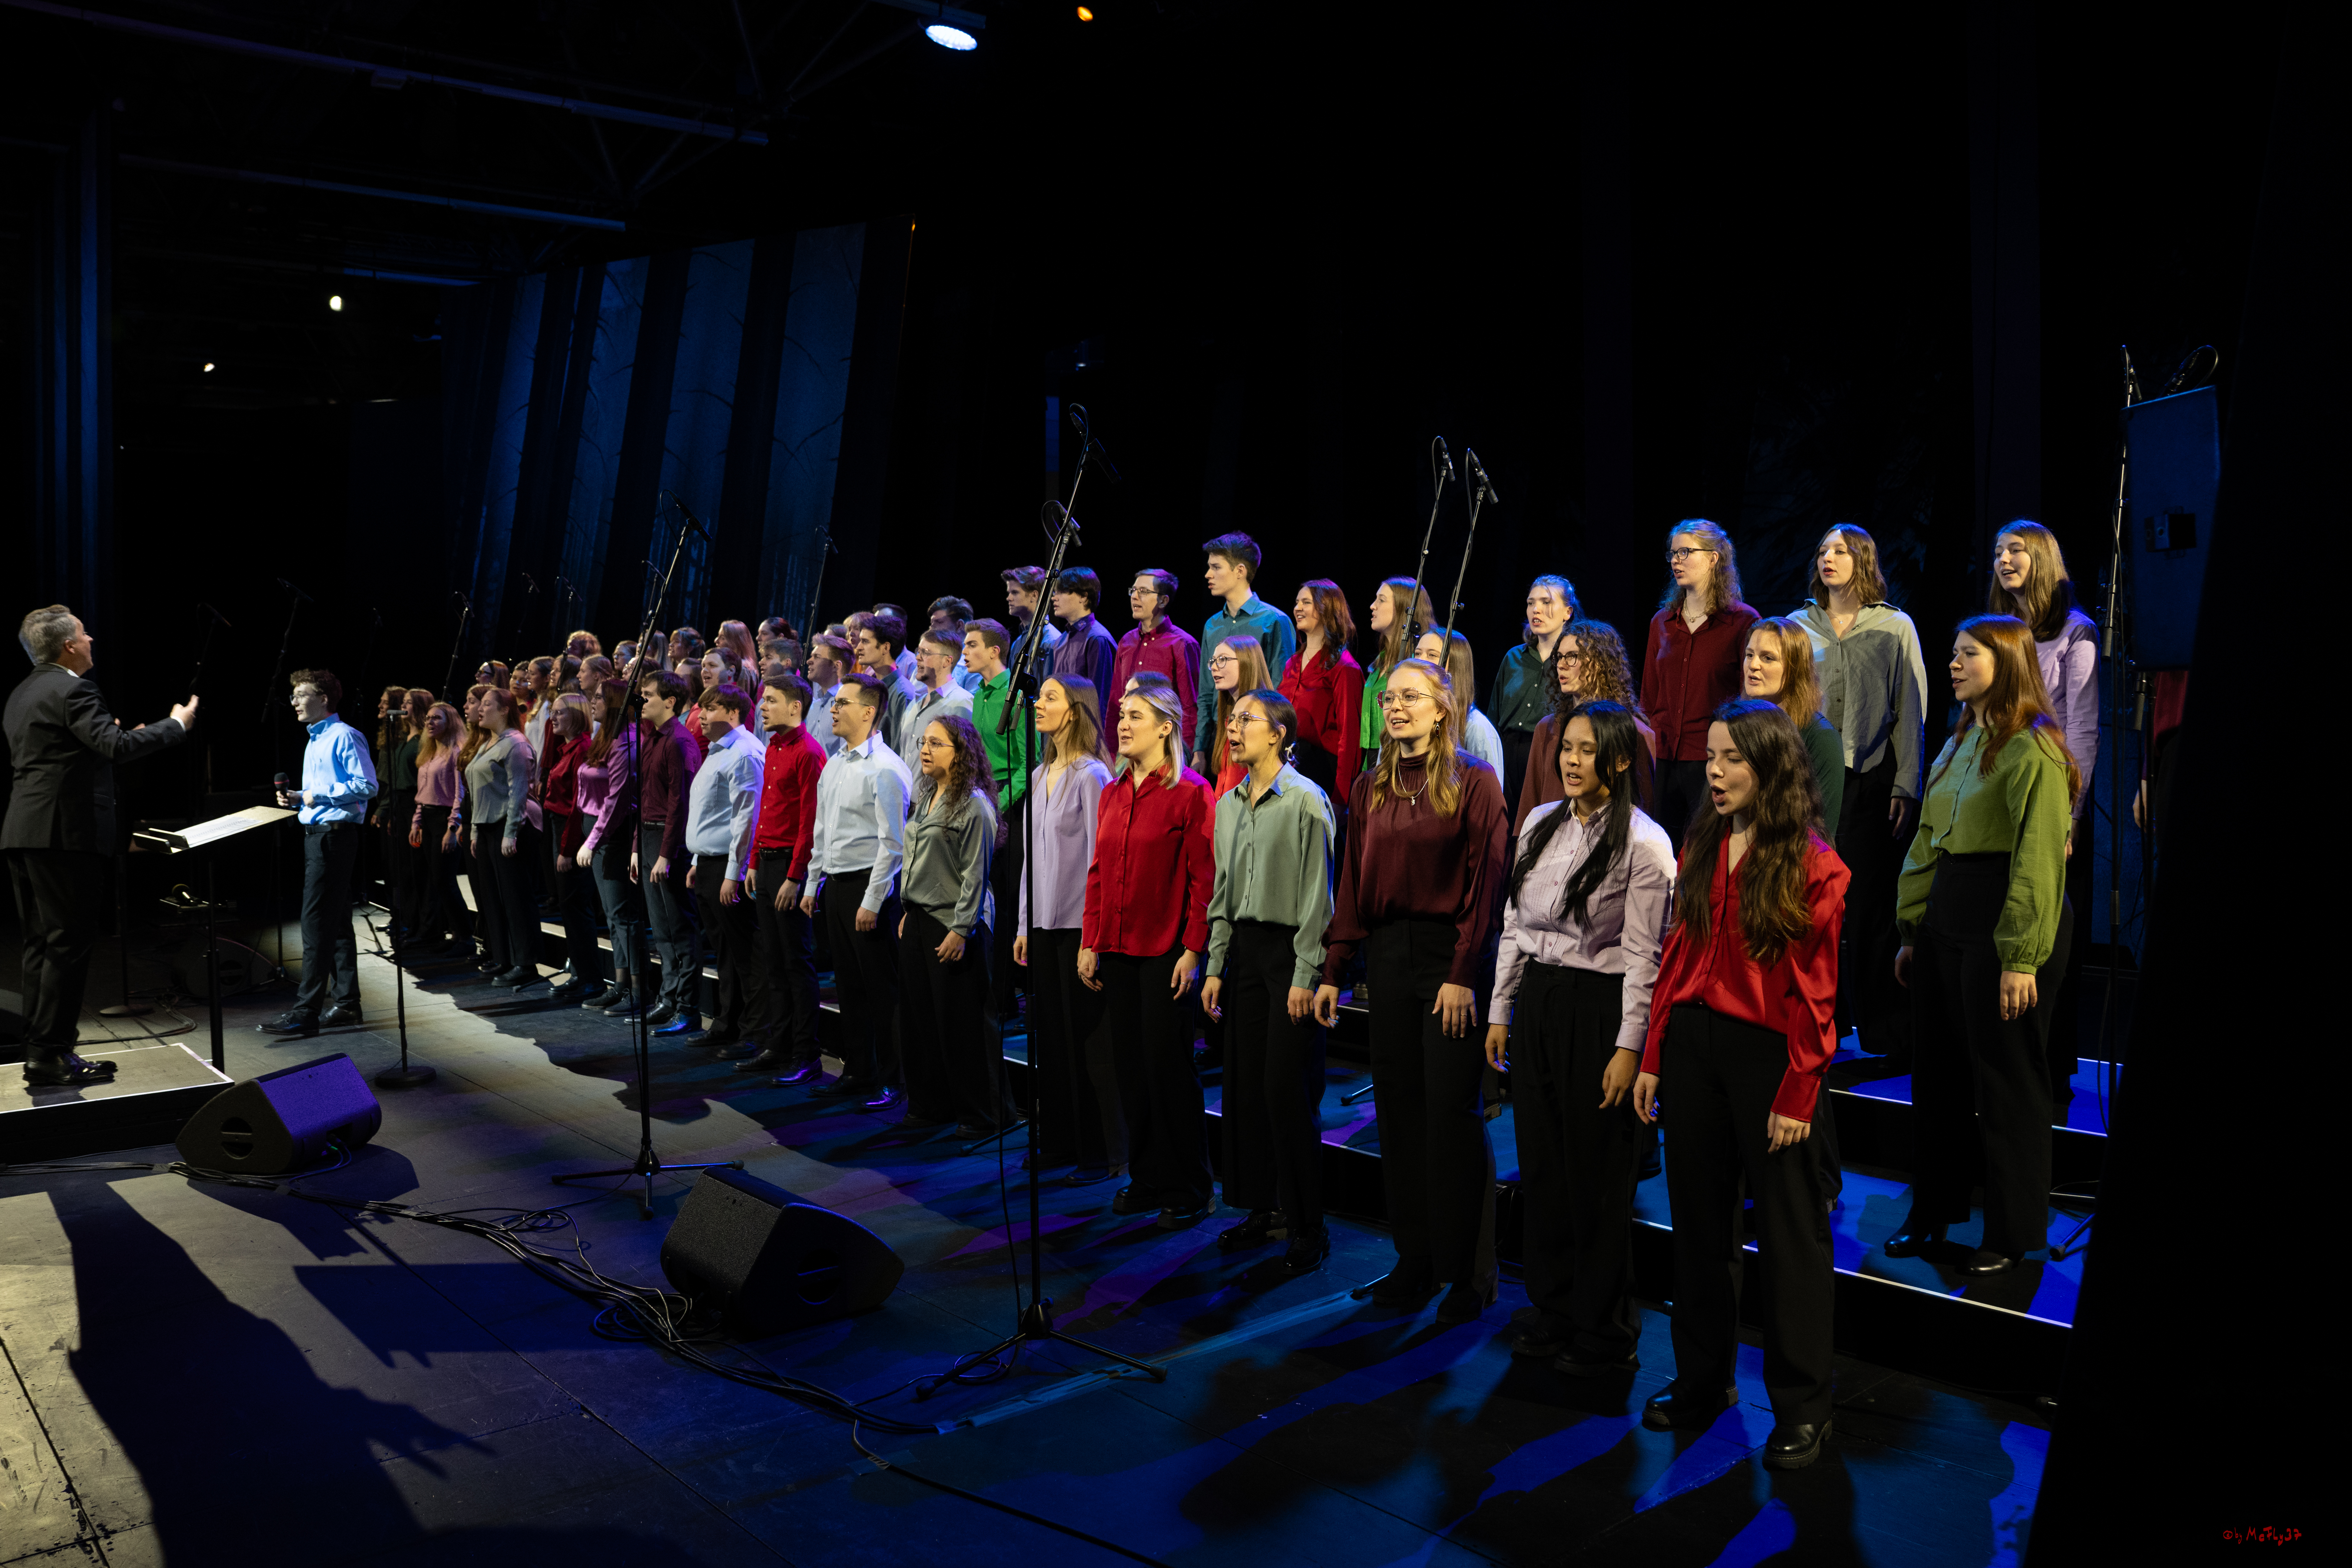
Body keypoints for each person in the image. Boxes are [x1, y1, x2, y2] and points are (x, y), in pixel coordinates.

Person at [1632, 697, 1846, 1470]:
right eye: (1711, 758)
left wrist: (1798, 1093)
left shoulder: (1814, 865)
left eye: (1731, 760)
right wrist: (1654, 1052)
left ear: (1770, 767)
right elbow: (1678, 956)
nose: (1714, 773)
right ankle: (1701, 1382)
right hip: (1694, 1048)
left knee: (1790, 1237)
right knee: (1698, 1229)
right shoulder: (1704, 842)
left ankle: (1803, 1408)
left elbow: (1817, 998)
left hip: (1768, 1058)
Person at [1312, 657, 1510, 1323]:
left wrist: (1461, 973)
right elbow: (1352, 884)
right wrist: (1336, 967)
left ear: (1441, 707)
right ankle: (1416, 1260)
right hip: (1388, 958)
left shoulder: (1473, 783)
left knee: (1451, 1114)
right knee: (1398, 1114)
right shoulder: (1369, 788)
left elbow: (1486, 887)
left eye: (1410, 697)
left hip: (1449, 959)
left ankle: (1468, 1273)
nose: (1395, 708)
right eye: (1389, 698)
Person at [1486, 700, 1675, 1372]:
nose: (1570, 759)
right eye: (1567, 747)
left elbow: (1645, 957)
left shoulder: (1645, 843)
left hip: (1599, 1009)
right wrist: (1501, 1009)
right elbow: (1515, 924)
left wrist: (1629, 1048)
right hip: (1540, 998)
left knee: (1595, 1173)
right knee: (1542, 1164)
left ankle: (1603, 1329)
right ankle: (1553, 1305)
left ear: (1620, 760)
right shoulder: (1539, 822)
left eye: (1587, 749)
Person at [1886, 615, 2078, 1275]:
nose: (1954, 664)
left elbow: (2038, 860)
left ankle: (2012, 1230)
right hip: (1950, 914)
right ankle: (1934, 1209)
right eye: (1954, 652)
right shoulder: (1962, 739)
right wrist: (1914, 928)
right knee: (1936, 1075)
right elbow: (1929, 838)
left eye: (1968, 654)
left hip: (2007, 912)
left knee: (2005, 1078)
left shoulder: (2036, 747)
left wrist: (2021, 956)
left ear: (2007, 662)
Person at [4, 606, 196, 1083]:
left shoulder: (23, 693)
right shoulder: (75, 688)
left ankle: (42, 1050)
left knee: (41, 946)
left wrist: (110, 742)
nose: (92, 640)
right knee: (67, 946)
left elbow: (66, 756)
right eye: (85, 635)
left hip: (25, 831)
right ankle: (51, 1054)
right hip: (65, 835)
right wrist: (175, 726)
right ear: (69, 645)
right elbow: (115, 750)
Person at [1200, 689, 1337, 1275]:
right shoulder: (1229, 803)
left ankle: (1308, 1225)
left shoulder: (1307, 801)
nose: (1234, 729)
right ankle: (1262, 1209)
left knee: (1286, 1092)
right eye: (1231, 721)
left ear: (1279, 733)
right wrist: (1214, 963)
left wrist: (1306, 973)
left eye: (1246, 721)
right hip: (1246, 956)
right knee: (1248, 1089)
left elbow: (1318, 898)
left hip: (1290, 955)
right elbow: (1224, 891)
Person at [1080, 683, 1217, 1227]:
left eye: (1135, 716)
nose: (1122, 724)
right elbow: (1097, 874)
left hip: (1165, 952)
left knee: (1168, 1071)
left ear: (1166, 726)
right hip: (1115, 948)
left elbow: (1204, 881)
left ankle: (1189, 1183)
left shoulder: (1190, 792)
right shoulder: (1113, 792)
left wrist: (1193, 949)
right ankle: (1147, 1175)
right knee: (1131, 1070)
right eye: (1120, 716)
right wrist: (1090, 940)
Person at [1790, 525, 1927, 1057]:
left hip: (1871, 777)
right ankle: (1822, 1018)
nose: (1828, 558)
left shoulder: (1895, 627)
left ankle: (1881, 1026)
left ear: (1863, 560)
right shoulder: (1798, 625)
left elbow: (1910, 710)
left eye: (1840, 551)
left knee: (1868, 905)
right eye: (1822, 549)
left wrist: (1905, 784)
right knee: (1812, 901)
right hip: (1809, 777)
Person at [1990, 520, 2098, 1102]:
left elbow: (2081, 729)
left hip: (2053, 797)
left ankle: (2050, 1069)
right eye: (1998, 552)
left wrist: (2070, 818)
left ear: (2041, 559)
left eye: (2015, 551)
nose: (2004, 560)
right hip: (2000, 795)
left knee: (2053, 935)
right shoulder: (1999, 633)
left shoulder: (2075, 634)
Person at [1014, 675, 1123, 1178]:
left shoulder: (1091, 775)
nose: (1039, 703)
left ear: (1075, 710)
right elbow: (1029, 858)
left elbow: (1099, 860)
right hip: (1040, 924)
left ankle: (1097, 1149)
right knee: (1052, 1039)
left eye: (1050, 698)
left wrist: (1093, 934)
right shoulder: (1039, 775)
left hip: (1078, 928)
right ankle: (1057, 1139)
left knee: (1088, 1042)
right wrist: (1021, 922)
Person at [899, 713, 1016, 1137]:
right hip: (920, 917)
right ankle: (933, 1105)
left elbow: (975, 874)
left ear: (961, 751)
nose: (925, 751)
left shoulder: (975, 806)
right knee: (921, 1020)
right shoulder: (926, 792)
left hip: (956, 923)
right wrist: (910, 911)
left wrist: (960, 929)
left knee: (963, 1024)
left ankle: (985, 1114)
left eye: (935, 744)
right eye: (923, 743)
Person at [801, 673, 914, 1110]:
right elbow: (822, 828)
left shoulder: (885, 767)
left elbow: (894, 843)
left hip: (872, 888)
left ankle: (892, 1078)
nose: (833, 708)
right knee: (848, 988)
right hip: (837, 884)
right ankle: (857, 1070)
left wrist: (871, 900)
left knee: (880, 990)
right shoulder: (835, 762)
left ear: (868, 712)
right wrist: (814, 882)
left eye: (843, 703)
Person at [257, 668, 380, 1033]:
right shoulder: (315, 740)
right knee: (337, 924)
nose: (294, 701)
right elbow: (324, 792)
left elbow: (367, 785)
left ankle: (305, 1013)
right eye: (293, 695)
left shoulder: (345, 735)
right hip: (319, 834)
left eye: (301, 694)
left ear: (324, 698)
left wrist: (315, 796)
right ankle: (347, 1004)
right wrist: (299, 800)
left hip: (335, 838)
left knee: (314, 926)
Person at [1640, 520, 1760, 846]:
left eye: (1685, 552)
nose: (1676, 560)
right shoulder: (1661, 623)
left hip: (1710, 760)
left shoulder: (1743, 621)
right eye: (1673, 554)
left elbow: (1748, 697)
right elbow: (1648, 699)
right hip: (1662, 759)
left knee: (1706, 848)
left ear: (1713, 558)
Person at [746, 671, 827, 1079]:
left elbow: (809, 821)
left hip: (791, 868)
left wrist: (795, 877)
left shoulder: (808, 752)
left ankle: (806, 1054)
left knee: (797, 963)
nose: (762, 706)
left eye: (771, 700)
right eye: (763, 700)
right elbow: (768, 812)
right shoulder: (774, 747)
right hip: (768, 863)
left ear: (795, 707)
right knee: (773, 961)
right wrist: (755, 863)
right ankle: (777, 1046)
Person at [686, 683, 769, 1061]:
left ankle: (753, 1032)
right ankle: (726, 1023)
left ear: (733, 713)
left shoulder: (746, 752)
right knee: (724, 952)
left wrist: (733, 873)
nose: (701, 716)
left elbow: (745, 819)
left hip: (727, 865)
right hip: (709, 862)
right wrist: (695, 862)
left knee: (744, 952)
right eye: (701, 709)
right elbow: (708, 813)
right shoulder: (718, 751)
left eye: (710, 709)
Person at [1513, 620, 1656, 836]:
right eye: (1559, 657)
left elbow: (1645, 811)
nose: (1561, 664)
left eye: (1572, 656)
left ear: (1599, 663)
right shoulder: (1548, 728)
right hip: (1551, 849)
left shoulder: (1635, 733)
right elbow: (1529, 806)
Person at [965, 618, 1037, 1023]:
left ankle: (1009, 994)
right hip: (983, 799)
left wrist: (998, 804)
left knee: (1008, 900)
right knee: (985, 895)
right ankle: (990, 986)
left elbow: (1029, 763)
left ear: (995, 651)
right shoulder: (978, 693)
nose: (966, 652)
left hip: (1008, 802)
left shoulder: (1018, 696)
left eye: (973, 645)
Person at [632, 670, 706, 1034]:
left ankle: (688, 1007)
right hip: (648, 837)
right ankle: (668, 995)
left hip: (669, 841)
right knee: (661, 928)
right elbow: (643, 798)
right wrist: (636, 849)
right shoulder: (652, 739)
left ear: (670, 701)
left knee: (679, 927)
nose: (641, 700)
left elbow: (680, 802)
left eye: (648, 695)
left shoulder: (679, 741)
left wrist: (664, 854)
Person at [1191, 533, 1296, 771]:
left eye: (1216, 567)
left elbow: (1281, 690)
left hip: (1258, 739)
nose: (1208, 574)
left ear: (1240, 571)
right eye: (1209, 567)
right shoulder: (1212, 625)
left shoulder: (1274, 621)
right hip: (1220, 740)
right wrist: (1200, 748)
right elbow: (1206, 693)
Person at [574, 678, 645, 1016]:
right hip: (597, 830)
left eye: (601, 697)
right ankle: (619, 985)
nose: (594, 701)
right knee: (613, 916)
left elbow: (618, 801)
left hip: (612, 833)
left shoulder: (627, 743)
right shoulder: (607, 738)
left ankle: (637, 989)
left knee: (623, 916)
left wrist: (593, 840)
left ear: (617, 703)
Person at [461, 687, 540, 990]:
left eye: (487, 705)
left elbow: (519, 792)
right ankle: (506, 957)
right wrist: (475, 831)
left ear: (505, 709)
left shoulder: (516, 745)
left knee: (516, 897)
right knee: (493, 897)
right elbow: (477, 792)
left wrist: (510, 832)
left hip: (513, 827)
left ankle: (526, 963)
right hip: (488, 827)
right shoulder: (489, 742)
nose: (480, 710)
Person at [1742, 617, 1845, 829]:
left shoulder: (1820, 737)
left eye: (1768, 658)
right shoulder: (1738, 727)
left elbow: (1822, 832)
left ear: (1794, 669)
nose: (1753, 665)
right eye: (1749, 655)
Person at [1489, 576, 1579, 813]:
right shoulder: (1513, 658)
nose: (1536, 609)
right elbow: (1494, 715)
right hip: (1507, 755)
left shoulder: (1573, 661)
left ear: (1567, 612)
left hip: (1547, 753)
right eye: (1531, 603)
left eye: (1546, 602)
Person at [1277, 580, 1364, 821]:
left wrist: (1340, 798)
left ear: (1327, 609)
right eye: (1296, 602)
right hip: (1290, 768)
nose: (1297, 608)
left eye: (1306, 602)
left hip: (1323, 772)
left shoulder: (1344, 668)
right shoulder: (1292, 663)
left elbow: (1350, 737)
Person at [539, 692, 602, 1002]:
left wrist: (566, 849)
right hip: (558, 829)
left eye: (560, 713)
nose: (554, 717)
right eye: (553, 712)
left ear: (577, 715)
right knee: (568, 908)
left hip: (571, 832)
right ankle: (579, 973)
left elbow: (579, 805)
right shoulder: (566, 748)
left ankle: (591, 978)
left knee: (577, 907)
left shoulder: (584, 748)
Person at [406, 701, 470, 961]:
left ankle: (465, 937)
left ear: (450, 722)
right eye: (429, 719)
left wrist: (452, 827)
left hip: (446, 820)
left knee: (445, 880)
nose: (430, 723)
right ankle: (453, 935)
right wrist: (416, 821)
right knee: (436, 880)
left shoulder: (456, 752)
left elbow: (460, 794)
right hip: (429, 818)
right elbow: (423, 794)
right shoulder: (430, 751)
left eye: (437, 719)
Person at [1359, 576, 1436, 760]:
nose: (1373, 606)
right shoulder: (1380, 662)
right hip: (1371, 757)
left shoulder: (1416, 664)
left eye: (1381, 600)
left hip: (1399, 755)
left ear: (1404, 608)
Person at [1112, 568, 1199, 726]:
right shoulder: (1127, 641)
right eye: (1134, 590)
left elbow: (1190, 708)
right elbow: (1115, 701)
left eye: (1143, 591)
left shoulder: (1182, 643)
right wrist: (1111, 749)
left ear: (1163, 601)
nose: (1134, 596)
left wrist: (1187, 750)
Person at [1415, 630, 1505, 772]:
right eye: (1418, 653)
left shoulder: (1477, 728)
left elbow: (1490, 791)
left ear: (1455, 667)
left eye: (1432, 655)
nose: (1419, 661)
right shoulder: (1410, 717)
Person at [1204, 634, 1276, 794]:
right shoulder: (1228, 718)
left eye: (1222, 660)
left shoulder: (1263, 718)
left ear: (1246, 662)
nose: (1215, 667)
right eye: (1213, 662)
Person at [894, 627, 973, 761]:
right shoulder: (913, 707)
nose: (918, 658)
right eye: (919, 652)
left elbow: (966, 760)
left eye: (926, 653)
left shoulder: (961, 703)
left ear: (947, 661)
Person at [1045, 566, 1118, 701]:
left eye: (1062, 592)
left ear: (1084, 597)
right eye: (1055, 593)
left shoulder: (1098, 639)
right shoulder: (1060, 642)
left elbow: (1100, 698)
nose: (1055, 598)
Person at [1000, 565, 1065, 664]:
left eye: (1015, 593)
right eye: (1010, 593)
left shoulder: (1052, 641)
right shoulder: (1018, 644)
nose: (1009, 598)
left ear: (1034, 596)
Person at [803, 633, 850, 753]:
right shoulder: (813, 704)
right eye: (812, 656)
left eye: (817, 657)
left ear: (836, 667)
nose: (809, 661)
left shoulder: (847, 706)